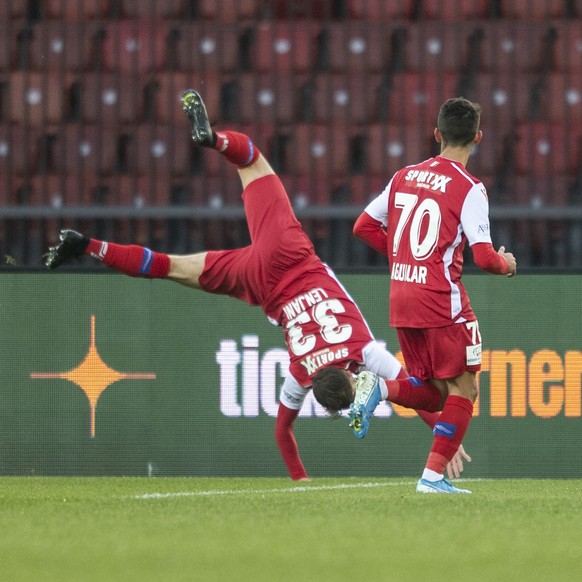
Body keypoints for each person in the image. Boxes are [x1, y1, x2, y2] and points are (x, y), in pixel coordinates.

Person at [43, 90, 470, 482]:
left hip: (284, 253)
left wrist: (445, 436)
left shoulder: (366, 353)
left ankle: (210, 139)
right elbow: (283, 432)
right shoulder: (303, 374)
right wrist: (302, 482)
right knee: (168, 267)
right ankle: (87, 245)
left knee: (249, 160)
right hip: (261, 280)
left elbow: (422, 401)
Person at [350, 97, 517, 494]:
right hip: (442, 300)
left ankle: (381, 389)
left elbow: (363, 226)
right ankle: (432, 477)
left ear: (437, 134)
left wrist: (402, 256)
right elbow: (486, 257)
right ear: (478, 137)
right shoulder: (470, 187)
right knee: (466, 389)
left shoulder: (404, 175)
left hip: (402, 297)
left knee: (435, 392)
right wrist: (509, 264)